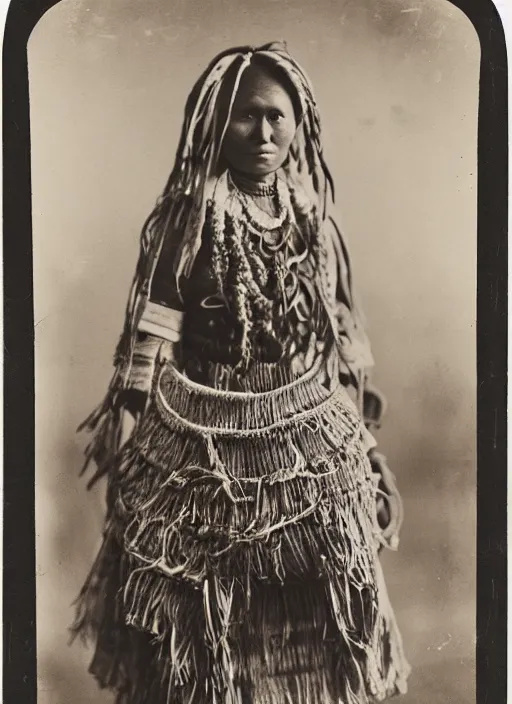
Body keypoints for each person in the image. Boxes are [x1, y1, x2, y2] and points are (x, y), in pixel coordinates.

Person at [72, 41, 411, 704]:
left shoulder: (314, 220)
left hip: (306, 437)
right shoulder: (190, 219)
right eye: (245, 116)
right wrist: (130, 431)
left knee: (317, 608)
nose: (262, 133)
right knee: (202, 621)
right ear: (216, 124)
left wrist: (365, 446)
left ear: (298, 124)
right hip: (202, 443)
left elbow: (339, 341)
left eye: (276, 117)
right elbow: (153, 336)